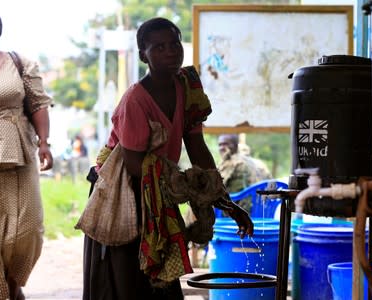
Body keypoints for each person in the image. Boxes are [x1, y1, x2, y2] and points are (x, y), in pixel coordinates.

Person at [81, 17, 253, 300]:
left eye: (174, 44)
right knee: (126, 281)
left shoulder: (187, 88)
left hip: (157, 188)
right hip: (123, 192)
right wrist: (186, 187)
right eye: (159, 47)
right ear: (143, 55)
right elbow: (136, 165)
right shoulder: (135, 99)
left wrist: (225, 202)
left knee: (161, 279)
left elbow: (196, 147)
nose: (170, 52)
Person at [0, 5, 53, 299]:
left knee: (25, 230)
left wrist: (44, 143)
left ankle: (13, 286)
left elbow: (39, 105)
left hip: (18, 157)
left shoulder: (19, 63)